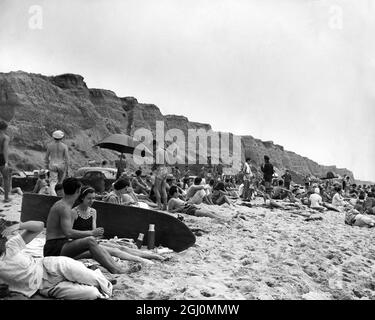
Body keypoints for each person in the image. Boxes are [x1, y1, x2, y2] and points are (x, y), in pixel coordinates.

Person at [0, 219, 113, 300]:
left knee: (91, 278)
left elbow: (39, 226)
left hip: (49, 267)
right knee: (91, 293)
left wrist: (20, 225)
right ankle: (101, 282)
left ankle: (102, 283)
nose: (4, 240)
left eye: (3, 237)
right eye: (1, 238)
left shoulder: (11, 246)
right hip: (44, 288)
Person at [44, 177, 127, 274]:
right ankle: (115, 270)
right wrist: (91, 233)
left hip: (59, 245)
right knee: (90, 241)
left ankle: (117, 267)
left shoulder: (63, 204)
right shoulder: (63, 207)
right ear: (78, 191)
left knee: (97, 248)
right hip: (54, 249)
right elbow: (68, 233)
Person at [72, 187, 162, 264]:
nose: (92, 201)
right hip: (80, 245)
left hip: (92, 241)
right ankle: (142, 260)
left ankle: (153, 256)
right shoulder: (74, 212)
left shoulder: (93, 211)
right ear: (82, 198)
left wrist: (97, 233)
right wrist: (93, 233)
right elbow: (69, 233)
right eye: (89, 198)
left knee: (122, 247)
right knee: (116, 251)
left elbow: (93, 231)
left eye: (93, 198)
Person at [45, 130, 69, 196]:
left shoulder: (50, 146)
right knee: (61, 181)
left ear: (53, 137)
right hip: (61, 165)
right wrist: (67, 169)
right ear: (62, 138)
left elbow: (46, 157)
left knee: (53, 181)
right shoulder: (64, 146)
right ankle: (60, 195)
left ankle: (53, 195)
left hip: (52, 165)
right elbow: (67, 159)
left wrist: (47, 165)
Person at [0, 120, 11, 203]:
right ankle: (6, 198)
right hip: (1, 158)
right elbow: (5, 150)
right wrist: (6, 162)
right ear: (5, 128)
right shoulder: (5, 137)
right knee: (6, 178)